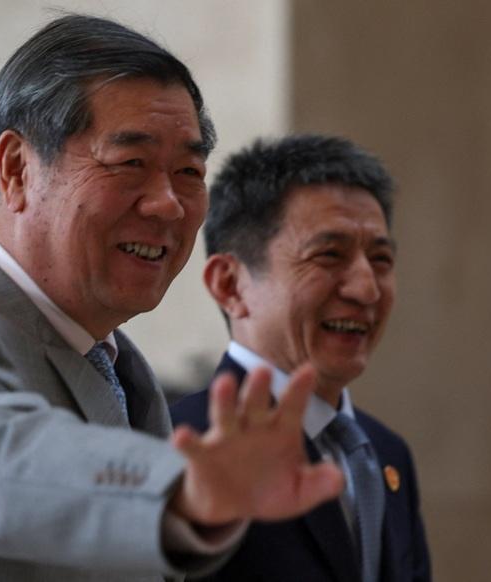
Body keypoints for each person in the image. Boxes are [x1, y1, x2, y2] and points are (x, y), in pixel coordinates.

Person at [0, 16, 345, 582]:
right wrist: (180, 488)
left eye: (188, 171)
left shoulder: (116, 366)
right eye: (130, 164)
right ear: (17, 170)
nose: (169, 204)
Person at [170, 135, 431, 582]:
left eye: (381, 259)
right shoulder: (180, 442)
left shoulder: (387, 453)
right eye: (329, 255)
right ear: (230, 284)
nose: (367, 289)